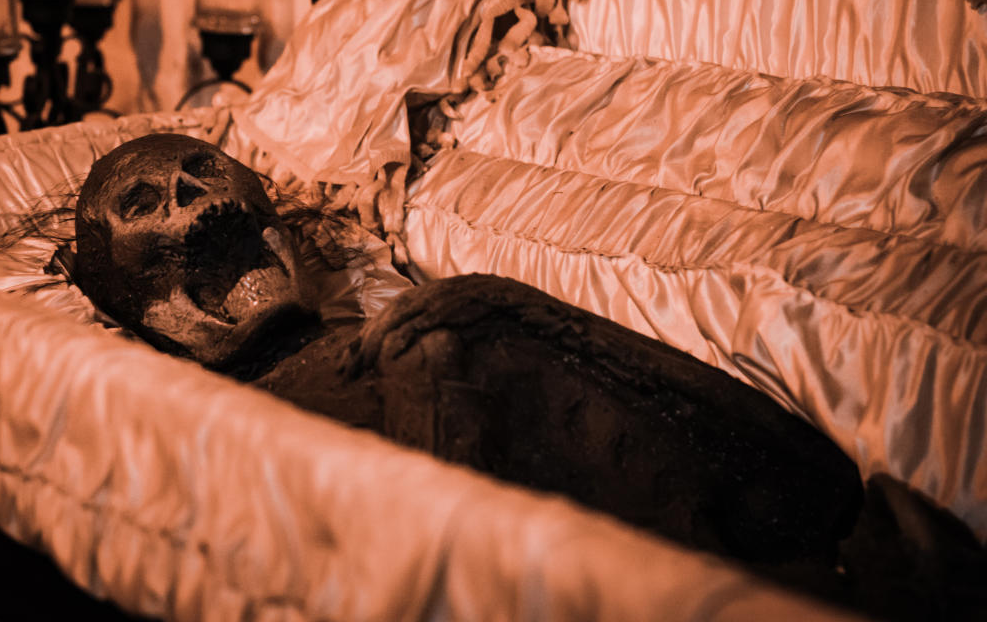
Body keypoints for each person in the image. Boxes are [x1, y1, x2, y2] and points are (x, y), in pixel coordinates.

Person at [73, 133, 985, 619]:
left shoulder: (410, 316)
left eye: (201, 171)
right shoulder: (192, 412)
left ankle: (827, 539)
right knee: (458, 323)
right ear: (121, 298)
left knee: (461, 319)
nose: (192, 198)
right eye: (143, 204)